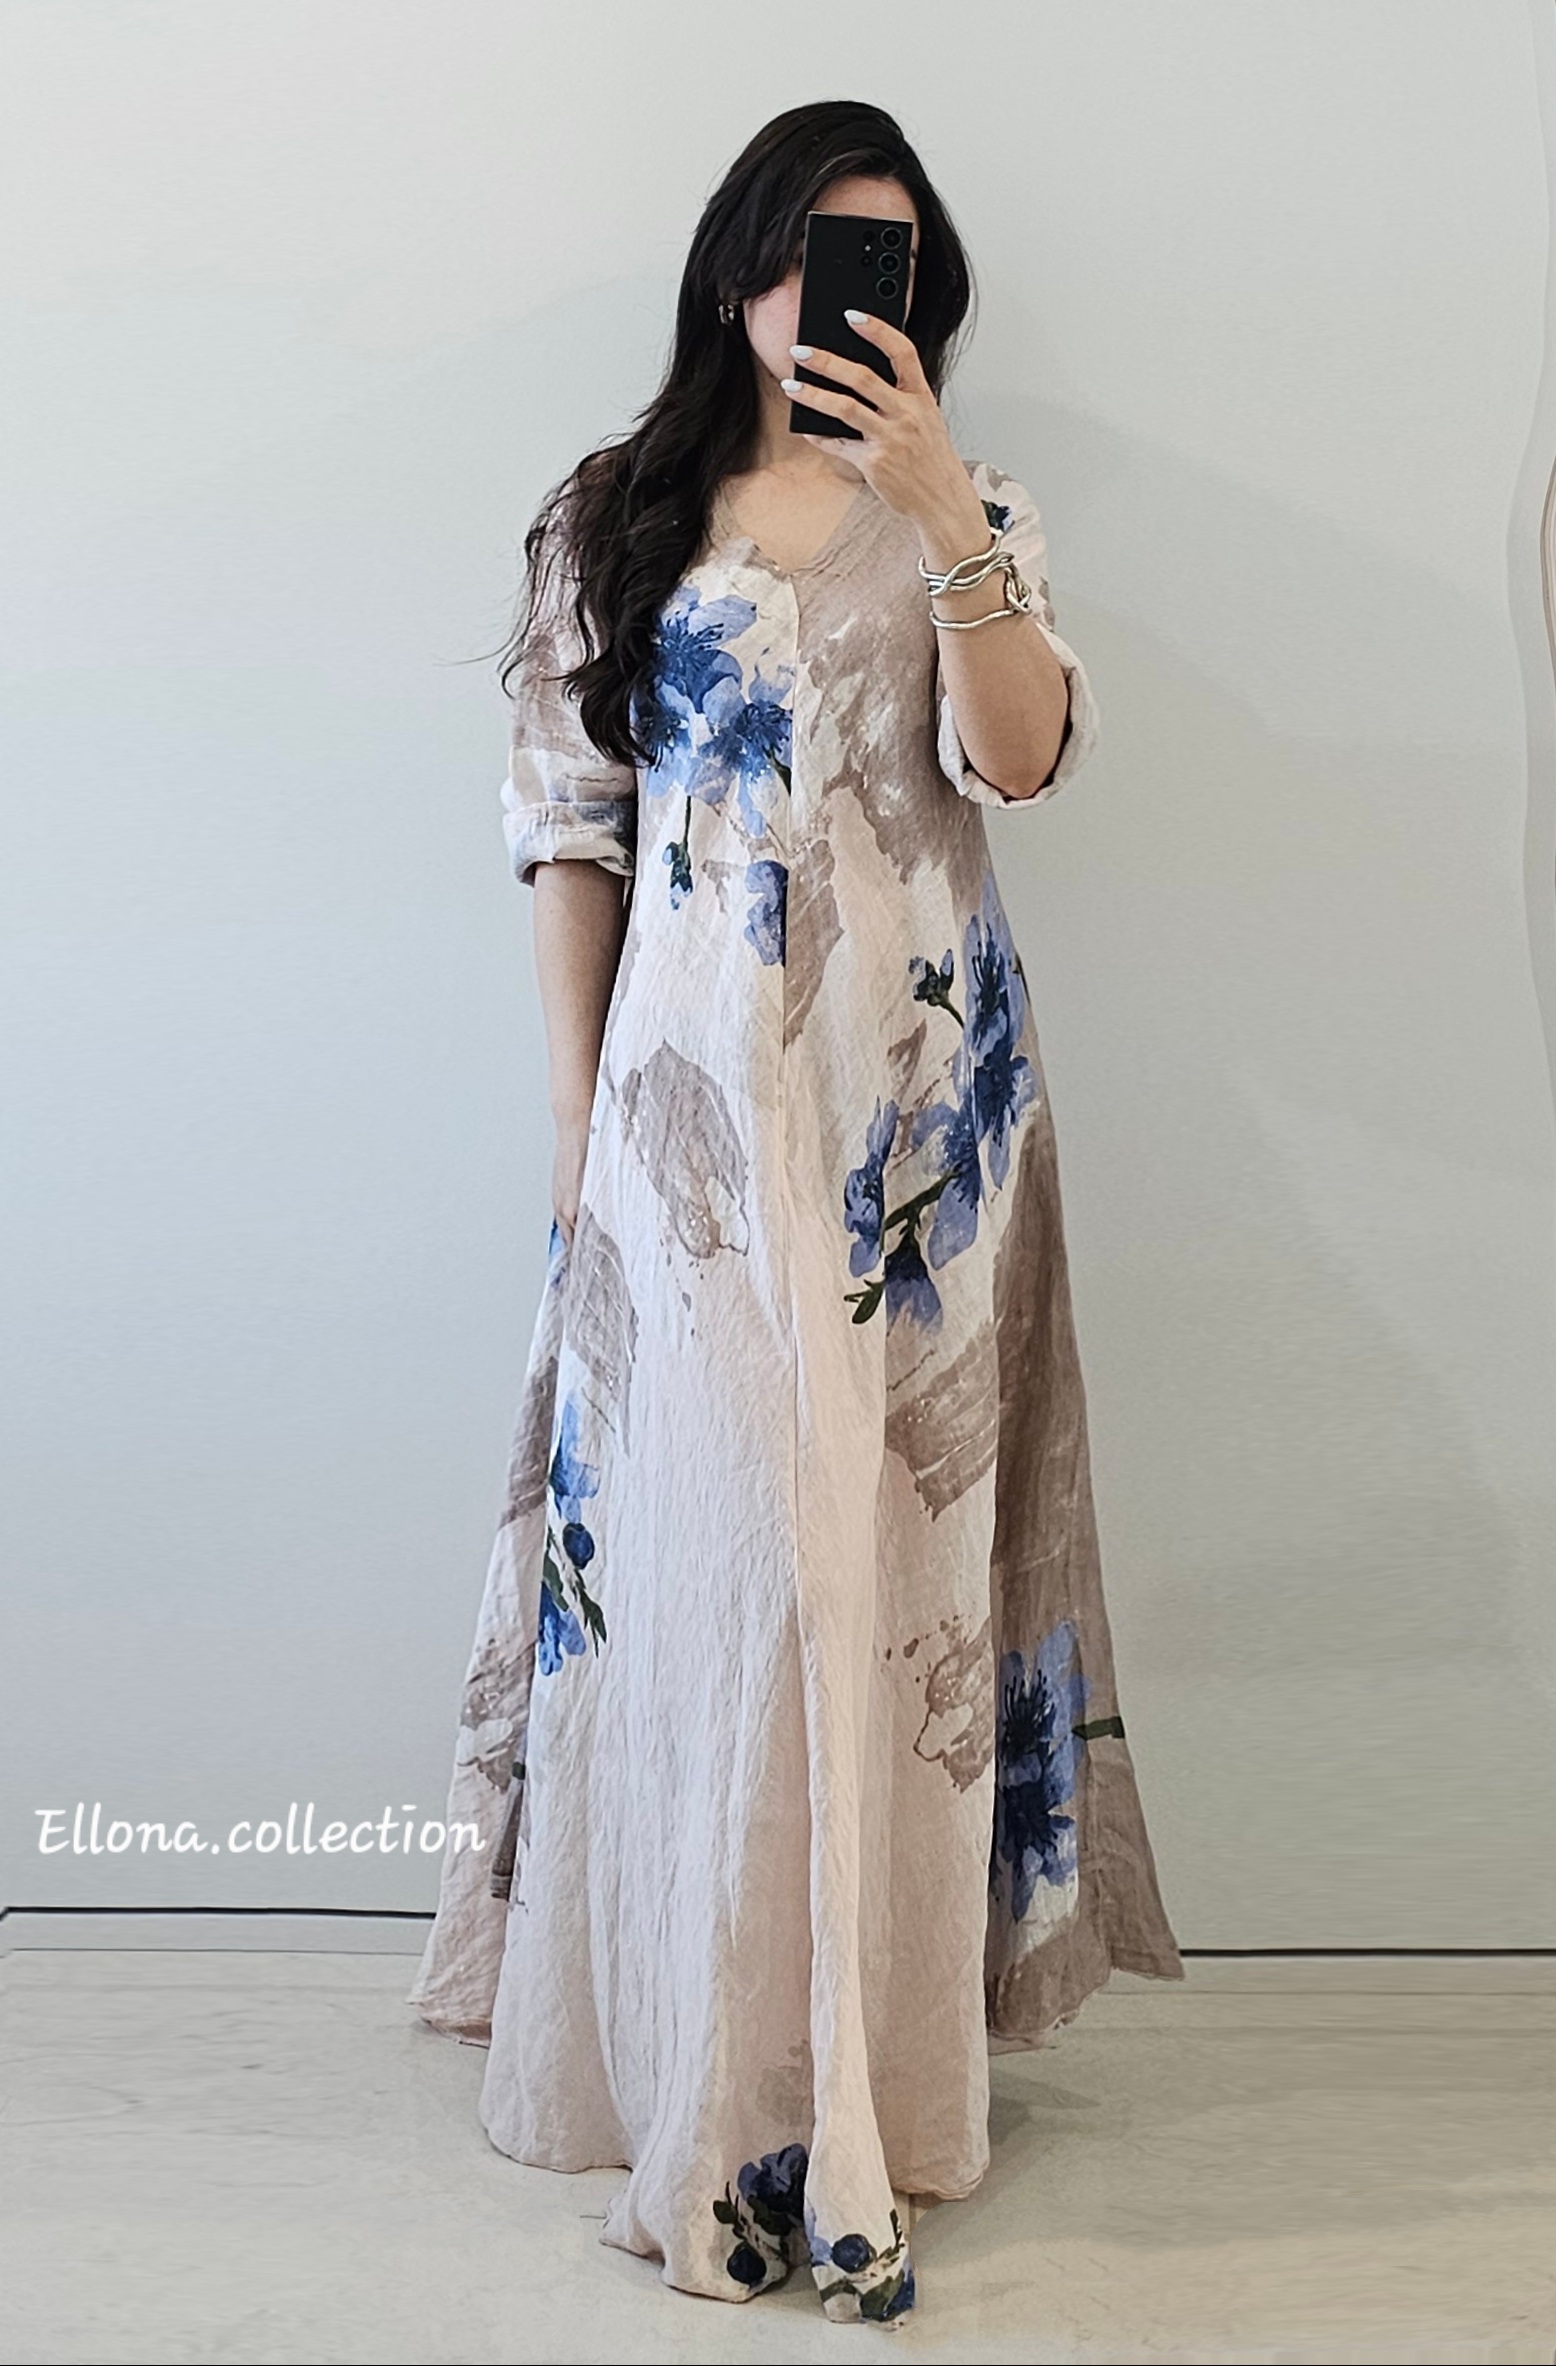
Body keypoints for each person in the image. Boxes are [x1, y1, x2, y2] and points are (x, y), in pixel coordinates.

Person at [409, 98, 1182, 2325]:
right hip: (684, 1121)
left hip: (912, 1131)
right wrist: (579, 1138)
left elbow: (1019, 759)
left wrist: (945, 521)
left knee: (878, 1580)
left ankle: (871, 2089)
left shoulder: (973, 505)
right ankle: (712, 2065)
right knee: (723, 1570)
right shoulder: (614, 513)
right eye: (811, 250)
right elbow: (569, 830)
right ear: (733, 267)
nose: (846, 293)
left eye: (891, 260)